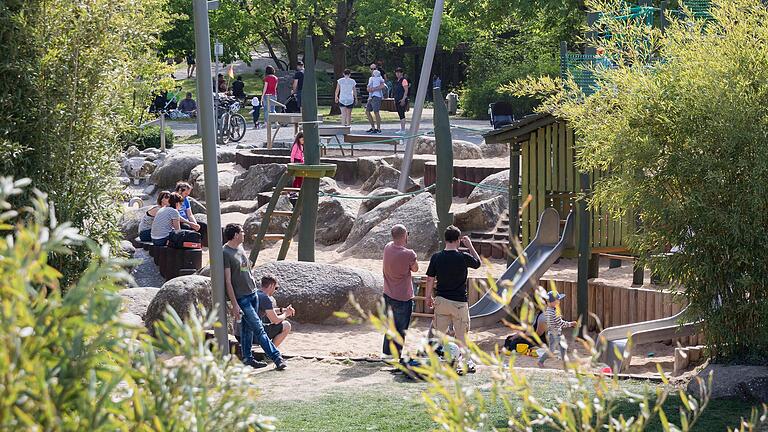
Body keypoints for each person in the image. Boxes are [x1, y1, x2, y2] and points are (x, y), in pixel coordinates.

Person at [223, 224, 287, 370]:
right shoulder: (225, 253)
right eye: (242, 232)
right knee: (259, 328)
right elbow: (228, 281)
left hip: (252, 294)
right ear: (235, 235)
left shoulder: (240, 248)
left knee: (247, 329)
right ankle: (277, 358)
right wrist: (235, 304)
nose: (244, 234)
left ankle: (247, 359)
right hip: (242, 298)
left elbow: (247, 270)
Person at [424, 225, 481, 348]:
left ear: (445, 240)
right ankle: (461, 362)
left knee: (437, 336)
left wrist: (428, 297)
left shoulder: (436, 257)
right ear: (458, 240)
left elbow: (430, 279)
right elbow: (478, 263)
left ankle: (436, 360)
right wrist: (470, 246)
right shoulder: (463, 257)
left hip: (441, 300)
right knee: (462, 337)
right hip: (459, 302)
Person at [382, 224, 418, 361]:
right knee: (401, 329)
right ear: (405, 236)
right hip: (403, 297)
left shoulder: (387, 247)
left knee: (390, 328)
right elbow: (415, 269)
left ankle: (386, 355)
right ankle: (396, 358)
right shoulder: (409, 254)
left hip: (388, 294)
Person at [537, 291, 577, 368]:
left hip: (553, 333)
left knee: (563, 347)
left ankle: (565, 362)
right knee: (551, 350)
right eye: (558, 300)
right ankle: (540, 361)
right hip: (554, 334)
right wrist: (571, 324)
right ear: (553, 302)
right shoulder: (554, 312)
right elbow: (561, 323)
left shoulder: (548, 310)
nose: (559, 301)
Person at [257, 275, 295, 347]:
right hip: (254, 335)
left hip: (240, 334)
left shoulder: (256, 294)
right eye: (276, 288)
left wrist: (282, 310)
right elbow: (276, 320)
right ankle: (270, 353)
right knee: (287, 325)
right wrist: (286, 314)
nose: (275, 291)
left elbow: (268, 311)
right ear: (271, 286)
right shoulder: (265, 298)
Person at [174, 182, 208, 246]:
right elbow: (175, 216)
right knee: (187, 227)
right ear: (180, 190)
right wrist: (190, 223)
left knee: (203, 226)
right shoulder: (173, 198)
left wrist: (195, 224)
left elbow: (189, 214)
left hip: (187, 220)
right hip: (178, 221)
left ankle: (199, 244)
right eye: (186, 193)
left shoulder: (186, 199)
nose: (187, 195)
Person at [365, 66, 386, 134]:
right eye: (371, 69)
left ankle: (378, 128)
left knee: (376, 112)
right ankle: (373, 127)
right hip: (370, 97)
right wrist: (369, 89)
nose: (373, 70)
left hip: (377, 96)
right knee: (367, 111)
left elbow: (383, 85)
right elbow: (368, 87)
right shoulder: (370, 78)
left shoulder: (380, 78)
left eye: (374, 69)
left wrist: (374, 88)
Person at [393, 67, 410, 134]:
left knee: (402, 114)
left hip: (401, 100)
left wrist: (403, 99)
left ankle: (403, 130)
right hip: (397, 99)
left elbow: (406, 90)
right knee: (400, 114)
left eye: (399, 72)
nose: (397, 73)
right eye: (396, 72)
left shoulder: (404, 80)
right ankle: (402, 129)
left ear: (402, 73)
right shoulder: (397, 81)